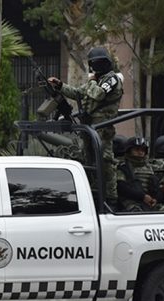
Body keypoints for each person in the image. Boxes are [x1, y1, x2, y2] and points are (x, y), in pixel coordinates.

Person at [48, 47, 123, 206]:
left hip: (103, 127)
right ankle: (92, 193)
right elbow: (76, 93)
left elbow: (98, 94)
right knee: (88, 159)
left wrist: (92, 81)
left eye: (99, 63)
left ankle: (111, 198)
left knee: (105, 162)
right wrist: (60, 85)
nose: (95, 66)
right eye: (94, 63)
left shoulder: (112, 79)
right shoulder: (95, 80)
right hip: (89, 127)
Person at [116, 137, 164, 212]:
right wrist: (142, 196)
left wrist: (156, 199)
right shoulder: (123, 167)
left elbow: (159, 187)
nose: (140, 152)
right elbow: (122, 187)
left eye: (142, 150)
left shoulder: (150, 167)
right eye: (137, 149)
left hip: (150, 202)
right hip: (131, 203)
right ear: (129, 151)